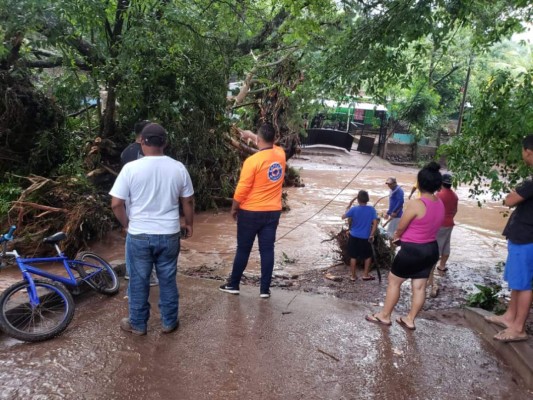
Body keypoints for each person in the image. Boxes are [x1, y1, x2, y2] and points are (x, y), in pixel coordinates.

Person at [110, 123, 195, 335]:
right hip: (169, 233)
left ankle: (138, 324)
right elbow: (189, 201)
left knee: (138, 280)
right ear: (165, 142)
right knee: (167, 278)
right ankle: (169, 322)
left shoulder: (130, 169)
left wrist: (127, 224)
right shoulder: (178, 168)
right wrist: (189, 224)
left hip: (139, 235)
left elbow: (116, 204)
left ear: (142, 142)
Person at [366, 162, 444, 330]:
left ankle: (385, 316)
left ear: (420, 183)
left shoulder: (417, 204)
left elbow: (402, 226)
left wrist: (397, 236)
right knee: (419, 286)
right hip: (431, 249)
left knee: (394, 281)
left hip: (413, 250)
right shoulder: (440, 203)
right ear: (438, 185)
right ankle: (410, 319)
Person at [219, 123, 286, 299]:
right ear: (274, 138)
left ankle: (234, 284)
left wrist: (234, 208)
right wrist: (251, 135)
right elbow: (272, 144)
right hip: (273, 211)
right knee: (267, 250)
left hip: (250, 212)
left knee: (243, 249)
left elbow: (242, 188)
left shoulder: (252, 161)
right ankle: (264, 290)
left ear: (259, 139)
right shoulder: (280, 155)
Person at [485, 134, 533, 343]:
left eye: (523, 151)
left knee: (524, 284)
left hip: (527, 237)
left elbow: (509, 200)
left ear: (528, 152)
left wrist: (514, 192)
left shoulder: (531, 182)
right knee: (517, 281)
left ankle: (518, 328)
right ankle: (509, 317)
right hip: (523, 235)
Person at [120, 120, 159, 287]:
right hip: (144, 198)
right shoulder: (145, 152)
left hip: (128, 197)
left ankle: (130, 271)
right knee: (147, 234)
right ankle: (147, 274)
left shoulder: (125, 152)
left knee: (132, 233)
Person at [427, 173, 458, 298]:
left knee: (436, 248)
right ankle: (442, 266)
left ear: (441, 183)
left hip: (440, 224)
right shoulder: (454, 196)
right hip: (450, 223)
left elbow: (432, 210)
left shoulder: (438, 195)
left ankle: (431, 273)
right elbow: (455, 210)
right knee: (446, 245)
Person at [342, 190, 379, 281]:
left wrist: (348, 207)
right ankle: (365, 275)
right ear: (367, 199)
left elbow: (343, 217)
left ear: (358, 200)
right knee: (368, 256)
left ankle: (353, 276)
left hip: (354, 236)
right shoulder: (371, 210)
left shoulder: (354, 209)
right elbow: (375, 223)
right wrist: (371, 235)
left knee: (353, 256)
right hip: (366, 237)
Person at [384, 177, 404, 243]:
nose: (389, 185)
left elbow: (401, 202)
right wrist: (388, 213)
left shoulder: (399, 191)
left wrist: (394, 211)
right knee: (390, 233)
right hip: (393, 214)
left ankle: (392, 248)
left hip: (397, 215)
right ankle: (391, 247)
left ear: (395, 183)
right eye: (388, 184)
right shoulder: (391, 190)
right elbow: (391, 204)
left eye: (390, 184)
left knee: (392, 234)